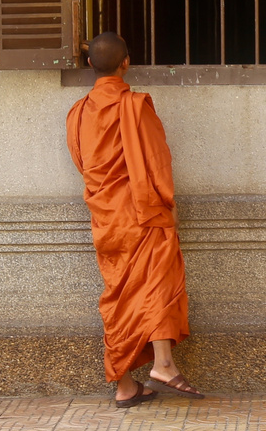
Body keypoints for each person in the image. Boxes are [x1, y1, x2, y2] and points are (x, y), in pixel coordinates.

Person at [66, 33, 205, 407]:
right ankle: (162, 363)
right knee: (156, 279)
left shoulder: (77, 113)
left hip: (105, 216)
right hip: (141, 213)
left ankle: (126, 386)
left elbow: (82, 163)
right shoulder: (135, 106)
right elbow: (157, 161)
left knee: (118, 295)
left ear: (91, 65)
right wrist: (167, 205)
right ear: (126, 63)